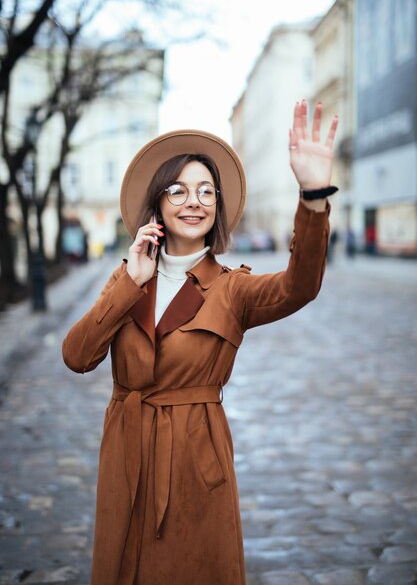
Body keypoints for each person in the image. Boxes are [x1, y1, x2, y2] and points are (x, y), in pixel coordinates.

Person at [62, 100, 338, 585]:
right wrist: (131, 280)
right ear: (159, 204)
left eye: (206, 191)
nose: (195, 201)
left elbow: (301, 285)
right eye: (179, 190)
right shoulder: (126, 277)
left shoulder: (234, 289)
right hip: (125, 454)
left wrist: (313, 195)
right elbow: (77, 356)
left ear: (218, 207)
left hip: (194, 461)